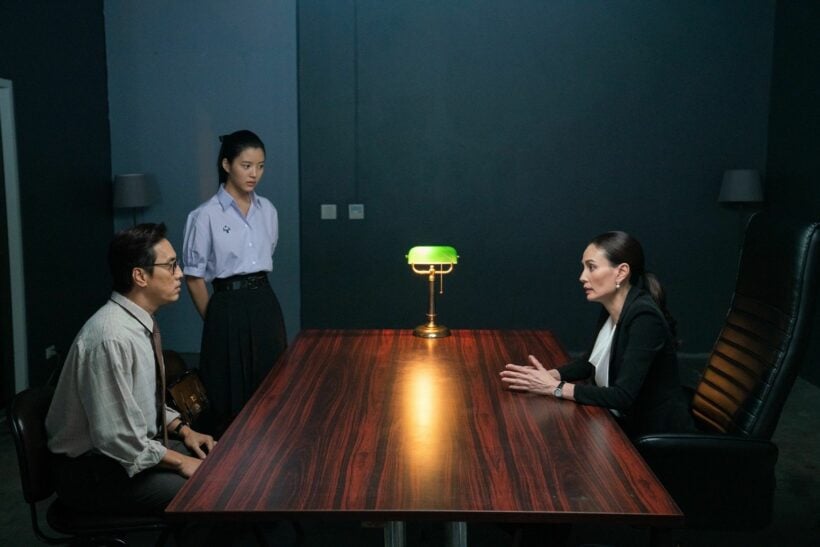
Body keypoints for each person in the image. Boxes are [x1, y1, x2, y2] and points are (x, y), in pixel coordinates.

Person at [46, 223, 216, 516]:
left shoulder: (136, 323)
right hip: (93, 471)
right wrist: (181, 461)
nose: (179, 274)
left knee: (220, 461)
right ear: (140, 276)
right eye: (171, 265)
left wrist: (184, 431)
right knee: (210, 488)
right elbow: (117, 438)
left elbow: (142, 403)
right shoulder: (111, 337)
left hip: (127, 452)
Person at [500, 231, 693, 437]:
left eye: (591, 267)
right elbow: (588, 363)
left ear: (621, 272)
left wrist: (555, 387)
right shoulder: (612, 307)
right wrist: (547, 376)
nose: (582, 277)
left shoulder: (644, 317)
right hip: (616, 424)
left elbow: (622, 396)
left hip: (649, 437)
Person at [182, 129, 286, 436]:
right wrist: (215, 319)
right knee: (227, 391)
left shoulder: (268, 210)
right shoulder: (204, 216)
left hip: (264, 301)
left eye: (260, 166)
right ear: (226, 165)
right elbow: (194, 277)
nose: (254, 174)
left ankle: (272, 449)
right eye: (246, 165)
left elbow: (267, 252)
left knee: (272, 381)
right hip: (226, 303)